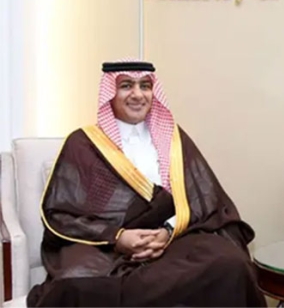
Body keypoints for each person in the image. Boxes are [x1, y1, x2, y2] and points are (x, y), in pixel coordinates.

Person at [27, 60, 267, 307]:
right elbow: (60, 213)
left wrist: (167, 232)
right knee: (75, 283)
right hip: (103, 243)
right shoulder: (83, 143)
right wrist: (118, 237)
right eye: (126, 86)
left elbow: (204, 199)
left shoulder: (173, 138)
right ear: (111, 92)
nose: (137, 94)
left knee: (231, 263)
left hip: (172, 240)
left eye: (145, 86)